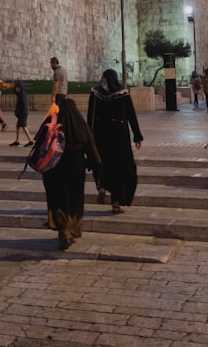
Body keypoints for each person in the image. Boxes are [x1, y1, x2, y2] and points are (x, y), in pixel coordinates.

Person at [40, 99, 101, 250]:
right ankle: (70, 230)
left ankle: (62, 229)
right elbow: (92, 149)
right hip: (75, 171)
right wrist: (98, 171)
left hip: (54, 171)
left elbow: (40, 143)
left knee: (58, 200)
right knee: (73, 201)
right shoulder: (80, 124)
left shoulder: (52, 121)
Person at [87, 69, 143, 214]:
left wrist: (88, 136)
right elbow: (131, 115)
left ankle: (102, 186)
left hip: (101, 137)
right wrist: (137, 135)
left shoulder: (95, 94)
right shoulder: (122, 94)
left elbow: (90, 117)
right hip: (119, 139)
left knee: (103, 164)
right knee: (122, 169)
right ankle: (116, 202)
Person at [8, 81, 33, 147]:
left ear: (20, 88)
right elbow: (15, 92)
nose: (16, 89)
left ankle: (30, 140)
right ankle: (17, 141)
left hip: (23, 113)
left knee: (24, 127)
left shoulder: (22, 95)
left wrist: (19, 112)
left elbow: (23, 105)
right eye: (16, 88)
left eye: (18, 88)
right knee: (18, 127)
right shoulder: (20, 94)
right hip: (22, 113)